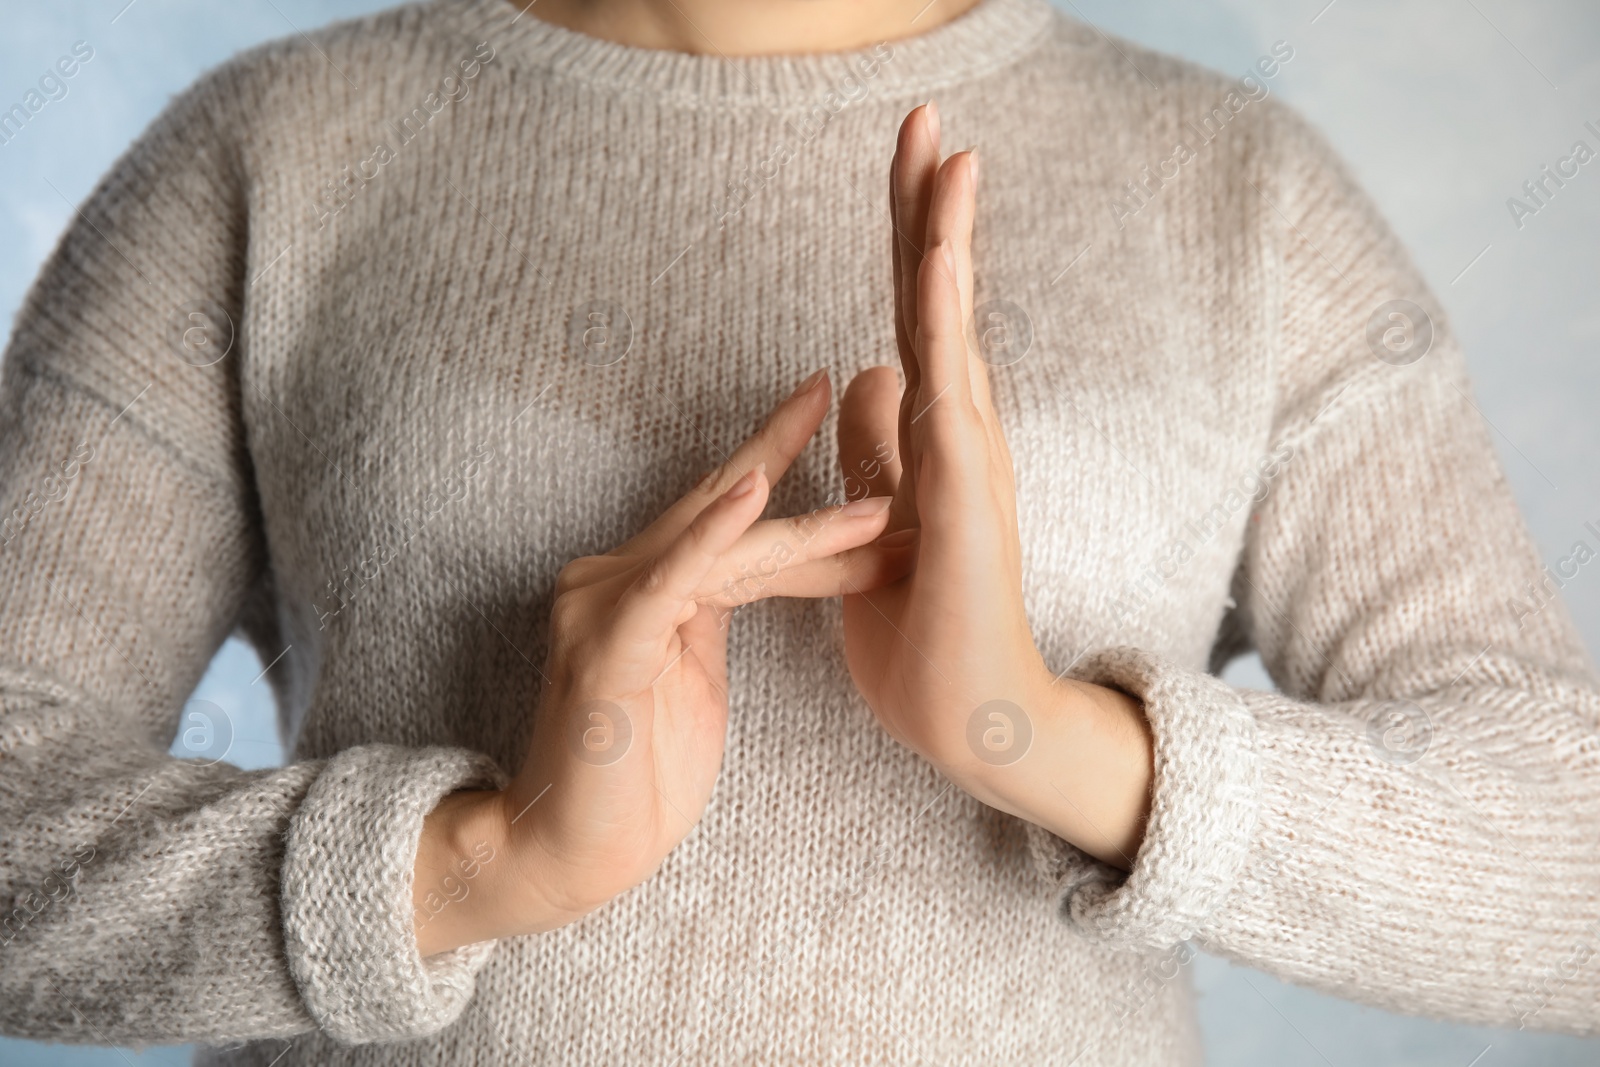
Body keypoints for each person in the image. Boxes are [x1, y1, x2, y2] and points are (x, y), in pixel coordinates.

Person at [0, 0, 1595, 1063]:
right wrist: (471, 865)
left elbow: (1565, 866)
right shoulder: (269, 154)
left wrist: (1038, 734)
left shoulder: (1243, 192)